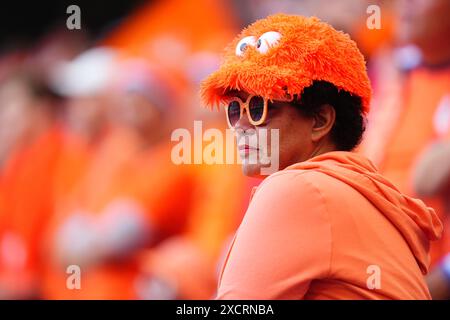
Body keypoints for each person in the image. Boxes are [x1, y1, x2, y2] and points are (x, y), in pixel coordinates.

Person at [200, 13, 442, 299]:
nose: (240, 125)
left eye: (258, 108)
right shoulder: (356, 191)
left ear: (320, 121)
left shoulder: (298, 190)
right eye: (234, 109)